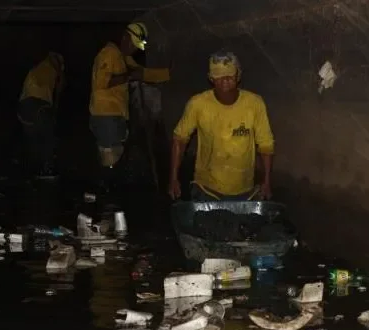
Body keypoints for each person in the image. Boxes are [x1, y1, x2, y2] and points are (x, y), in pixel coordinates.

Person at [169, 51, 275, 201]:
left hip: (244, 190)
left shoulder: (254, 104)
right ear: (210, 78)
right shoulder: (198, 104)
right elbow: (179, 139)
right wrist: (173, 179)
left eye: (229, 75)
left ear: (238, 75)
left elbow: (266, 145)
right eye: (218, 75)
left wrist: (267, 182)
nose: (224, 80)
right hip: (206, 189)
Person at [89, 22, 170, 190]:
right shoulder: (108, 54)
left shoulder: (122, 57)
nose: (134, 50)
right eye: (134, 45)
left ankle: (109, 194)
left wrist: (167, 74)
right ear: (125, 38)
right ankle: (106, 199)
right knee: (109, 159)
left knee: (115, 156)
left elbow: (141, 73)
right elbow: (101, 83)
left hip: (116, 116)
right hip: (105, 115)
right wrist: (127, 76)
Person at [17, 52, 65, 177]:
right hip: (40, 104)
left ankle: (32, 169)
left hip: (23, 106)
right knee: (47, 136)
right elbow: (59, 88)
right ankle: (46, 168)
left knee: (32, 138)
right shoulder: (52, 69)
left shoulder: (36, 68)